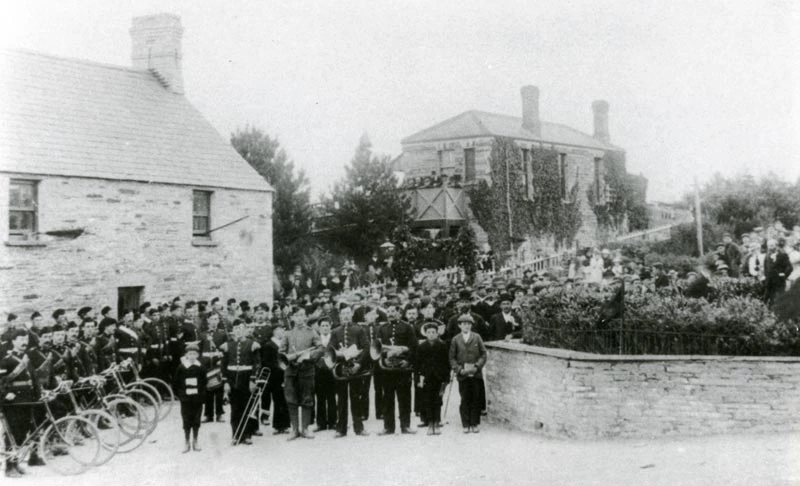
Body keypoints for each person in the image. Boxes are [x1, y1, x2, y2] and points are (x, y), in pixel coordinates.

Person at [280, 307, 323, 440]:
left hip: (307, 370)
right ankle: (294, 429)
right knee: (291, 399)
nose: (299, 318)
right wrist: (289, 357)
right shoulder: (287, 334)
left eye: (302, 315)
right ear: (292, 318)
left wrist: (309, 356)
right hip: (291, 371)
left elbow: (320, 348)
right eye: (297, 315)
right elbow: (281, 352)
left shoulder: (312, 332)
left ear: (305, 317)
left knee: (307, 399)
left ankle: (305, 428)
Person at [1, 330, 39, 477]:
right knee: (12, 434)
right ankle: (9, 468)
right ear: (13, 341)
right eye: (21, 339)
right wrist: (4, 395)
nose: (24, 341)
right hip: (13, 402)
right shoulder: (6, 360)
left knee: (22, 434)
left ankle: (16, 463)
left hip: (27, 400)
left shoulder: (26, 358)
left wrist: (38, 396)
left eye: (26, 338)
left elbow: (33, 379)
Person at [328, 305, 369, 438]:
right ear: (340, 316)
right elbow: (330, 350)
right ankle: (341, 429)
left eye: (347, 313)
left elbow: (366, 347)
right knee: (341, 400)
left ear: (351, 314)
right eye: (343, 314)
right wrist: (339, 354)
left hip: (355, 368)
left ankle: (359, 428)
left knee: (356, 398)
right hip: (341, 369)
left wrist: (358, 363)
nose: (345, 316)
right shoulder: (335, 331)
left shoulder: (359, 329)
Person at [377, 301, 417, 436]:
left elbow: (414, 347)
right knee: (387, 398)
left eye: (393, 311)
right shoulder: (382, 329)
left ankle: (405, 426)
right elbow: (377, 348)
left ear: (399, 313)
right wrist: (385, 357)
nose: (390, 314)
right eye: (388, 312)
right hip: (388, 369)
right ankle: (388, 427)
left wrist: (407, 361)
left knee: (404, 398)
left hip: (402, 369)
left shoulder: (407, 327)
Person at [220, 320, 261, 445]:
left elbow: (257, 363)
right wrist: (225, 382)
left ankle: (247, 434)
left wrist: (253, 379)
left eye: (241, 328)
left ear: (245, 330)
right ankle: (236, 435)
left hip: (246, 379)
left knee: (247, 407)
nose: (238, 331)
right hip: (232, 380)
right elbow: (223, 365)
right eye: (236, 328)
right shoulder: (228, 345)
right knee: (235, 408)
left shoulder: (252, 344)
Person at [449, 314, 487, 433]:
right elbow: (452, 358)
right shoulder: (456, 339)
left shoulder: (477, 337)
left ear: (471, 325)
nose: (466, 326)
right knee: (465, 398)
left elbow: (483, 354)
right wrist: (459, 369)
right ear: (459, 325)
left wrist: (477, 366)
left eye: (468, 324)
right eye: (464, 324)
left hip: (475, 373)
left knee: (475, 398)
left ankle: (474, 423)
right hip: (463, 374)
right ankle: (465, 423)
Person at [416, 322, 450, 436]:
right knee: (428, 401)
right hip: (426, 378)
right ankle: (430, 423)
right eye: (428, 332)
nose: (431, 334)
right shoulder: (421, 346)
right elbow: (418, 364)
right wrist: (418, 378)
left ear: (437, 333)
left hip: (439, 378)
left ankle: (437, 422)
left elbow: (446, 363)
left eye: (433, 332)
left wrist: (446, 378)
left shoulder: (442, 345)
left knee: (438, 400)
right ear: (425, 334)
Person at [173, 343, 207, 453]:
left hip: (197, 398)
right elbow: (176, 383)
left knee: (196, 419)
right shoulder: (182, 367)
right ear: (186, 355)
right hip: (186, 398)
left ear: (197, 355)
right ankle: (186, 441)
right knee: (186, 419)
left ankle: (195, 440)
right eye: (190, 354)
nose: (192, 356)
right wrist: (181, 395)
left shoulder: (200, 367)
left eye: (194, 354)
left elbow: (204, 382)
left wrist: (201, 395)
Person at [262, 322, 290, 435]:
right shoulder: (269, 345)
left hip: (285, 374)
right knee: (278, 399)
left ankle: (286, 425)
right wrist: (280, 368)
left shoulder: (284, 343)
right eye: (279, 329)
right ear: (274, 331)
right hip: (275, 376)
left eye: (282, 329)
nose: (281, 332)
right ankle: (278, 426)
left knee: (285, 399)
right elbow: (267, 362)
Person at [313, 317, 337, 432]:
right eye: (323, 326)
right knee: (320, 397)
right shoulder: (316, 339)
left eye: (327, 325)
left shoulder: (334, 338)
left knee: (332, 397)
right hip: (319, 371)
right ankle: (321, 423)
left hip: (331, 371)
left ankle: (333, 422)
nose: (325, 328)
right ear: (319, 328)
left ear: (330, 326)